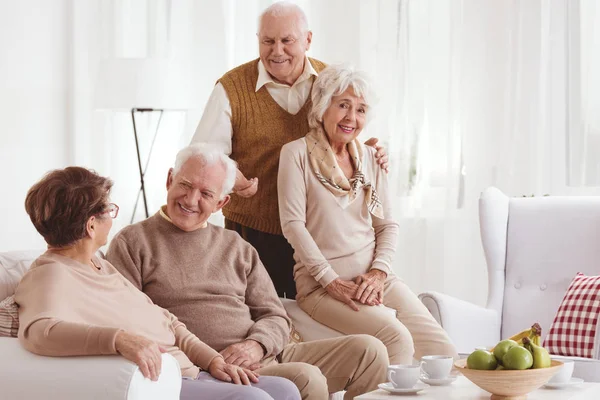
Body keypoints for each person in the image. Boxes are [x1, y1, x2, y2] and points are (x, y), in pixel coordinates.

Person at [106, 144, 389, 400]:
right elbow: (131, 321)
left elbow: (275, 314)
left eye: (206, 194)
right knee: (307, 378)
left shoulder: (236, 246)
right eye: (185, 185)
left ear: (221, 203)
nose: (191, 200)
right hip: (211, 367)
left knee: (370, 351)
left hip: (266, 354)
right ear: (170, 180)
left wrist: (257, 344)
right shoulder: (133, 242)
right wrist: (206, 359)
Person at [15, 166, 300, 400]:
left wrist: (213, 360)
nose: (112, 218)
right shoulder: (49, 274)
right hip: (164, 383)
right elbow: (39, 332)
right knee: (254, 399)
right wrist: (118, 339)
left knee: (285, 390)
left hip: (194, 369)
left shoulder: (101, 266)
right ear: (91, 225)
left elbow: (168, 322)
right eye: (108, 210)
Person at [191, 1, 388, 298]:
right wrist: (233, 176)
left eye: (287, 40)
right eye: (268, 41)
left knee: (317, 324)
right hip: (253, 231)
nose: (277, 51)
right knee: (260, 318)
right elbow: (202, 158)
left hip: (319, 234)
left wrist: (371, 151)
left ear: (308, 39)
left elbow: (347, 132)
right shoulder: (232, 88)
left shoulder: (331, 81)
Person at [277, 64, 459, 365]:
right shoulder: (295, 154)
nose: (352, 117)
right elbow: (293, 226)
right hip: (322, 288)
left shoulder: (371, 158)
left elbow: (387, 225)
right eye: (343, 105)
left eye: (361, 109)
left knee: (444, 353)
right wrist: (332, 281)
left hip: (376, 279)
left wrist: (378, 273)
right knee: (396, 339)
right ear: (323, 107)